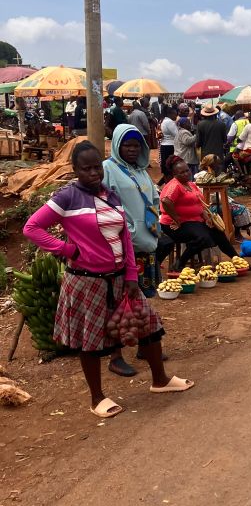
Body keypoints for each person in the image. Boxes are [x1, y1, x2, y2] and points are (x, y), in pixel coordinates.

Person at [23, 141, 192, 418]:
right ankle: (97, 398)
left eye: (96, 168)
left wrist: (130, 274)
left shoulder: (109, 195)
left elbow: (124, 237)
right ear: (75, 170)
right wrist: (68, 250)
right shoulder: (67, 197)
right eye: (86, 169)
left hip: (119, 279)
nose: (93, 174)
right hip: (86, 281)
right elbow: (32, 228)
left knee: (147, 325)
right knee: (91, 340)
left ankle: (160, 380)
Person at [103, 125, 169, 376]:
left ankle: (144, 345)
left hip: (145, 243)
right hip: (121, 247)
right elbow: (103, 202)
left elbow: (154, 199)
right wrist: (126, 227)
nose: (132, 150)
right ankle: (115, 355)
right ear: (118, 145)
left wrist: (155, 221)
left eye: (136, 146)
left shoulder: (142, 171)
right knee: (118, 303)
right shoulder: (107, 170)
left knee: (140, 302)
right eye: (127, 145)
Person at [159, 156, 238, 269]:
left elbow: (199, 204)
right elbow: (166, 201)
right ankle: (180, 263)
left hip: (193, 221)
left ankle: (238, 259)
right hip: (174, 225)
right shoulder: (175, 185)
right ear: (174, 175)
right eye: (181, 172)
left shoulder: (191, 184)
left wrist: (207, 218)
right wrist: (177, 219)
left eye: (187, 170)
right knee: (203, 237)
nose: (186, 174)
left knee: (218, 232)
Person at [158, 106, 179, 181]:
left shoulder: (164, 121)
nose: (176, 116)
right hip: (170, 145)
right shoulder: (170, 122)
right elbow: (176, 134)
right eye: (175, 114)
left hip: (165, 145)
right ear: (170, 114)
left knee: (167, 167)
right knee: (170, 167)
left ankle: (161, 183)